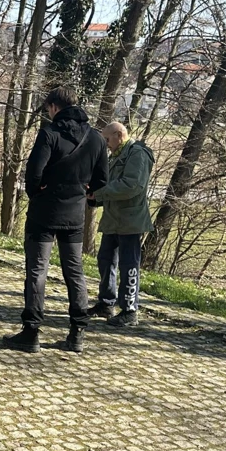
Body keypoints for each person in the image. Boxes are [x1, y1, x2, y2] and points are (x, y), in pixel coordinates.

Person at [1, 86, 108, 354]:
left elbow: (33, 175)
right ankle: (77, 334)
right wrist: (87, 195)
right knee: (75, 272)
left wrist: (38, 192)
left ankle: (31, 332)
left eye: (48, 107)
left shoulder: (49, 133)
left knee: (37, 271)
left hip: (44, 214)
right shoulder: (96, 139)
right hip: (74, 216)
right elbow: (101, 182)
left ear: (54, 107)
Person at [87, 122, 155, 327]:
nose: (106, 144)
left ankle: (129, 309)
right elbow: (110, 185)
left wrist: (99, 193)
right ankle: (107, 302)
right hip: (113, 218)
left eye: (107, 139)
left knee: (129, 265)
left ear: (119, 135)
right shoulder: (116, 155)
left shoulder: (137, 154)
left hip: (130, 220)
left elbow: (131, 186)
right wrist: (94, 197)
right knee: (105, 259)